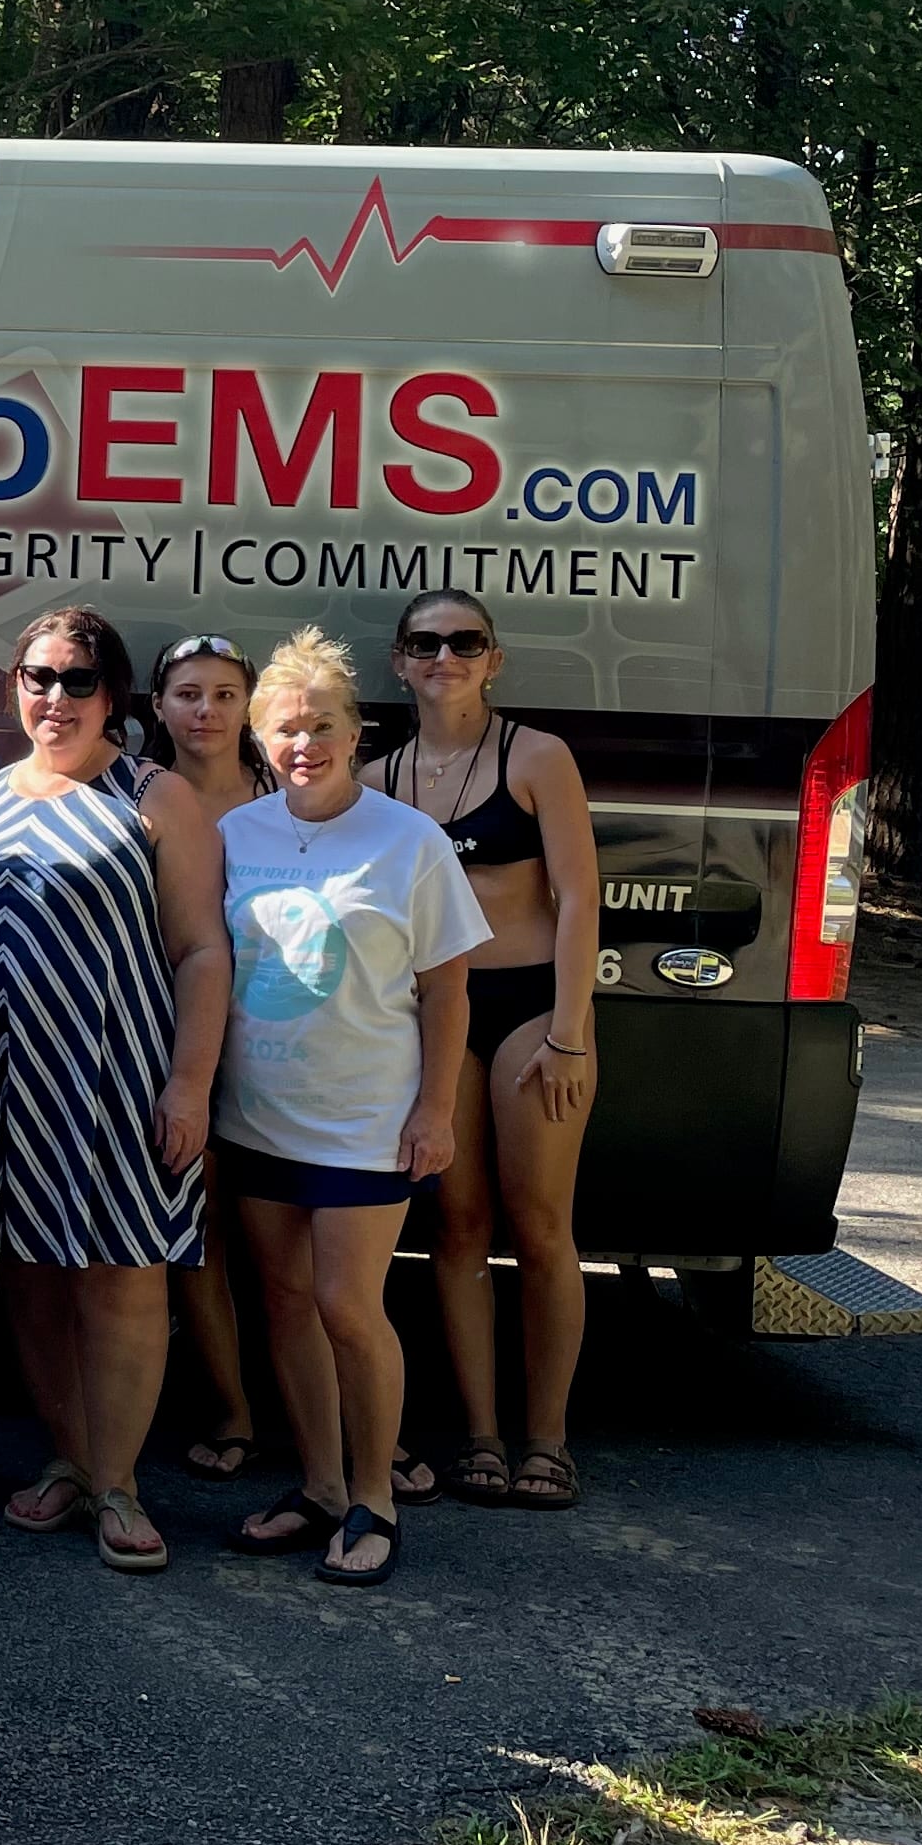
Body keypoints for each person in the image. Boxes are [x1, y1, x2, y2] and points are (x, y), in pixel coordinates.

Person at [0, 608, 229, 1575]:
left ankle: (121, 1482)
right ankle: (70, 1456)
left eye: (78, 680)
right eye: (37, 677)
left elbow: (202, 950)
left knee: (122, 1278)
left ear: (115, 696)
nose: (55, 698)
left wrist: (190, 1084)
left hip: (116, 1074)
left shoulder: (154, 796)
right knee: (30, 1277)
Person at [213, 628, 488, 1590]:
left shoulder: (408, 840)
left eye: (321, 724)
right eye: (284, 729)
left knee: (346, 1305)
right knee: (284, 1303)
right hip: (255, 1113)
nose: (303, 744)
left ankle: (376, 1494)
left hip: (366, 1117)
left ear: (356, 731)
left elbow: (449, 991)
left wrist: (435, 1109)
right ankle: (322, 1488)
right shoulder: (233, 836)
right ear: (259, 742)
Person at [377, 590, 603, 1513]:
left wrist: (569, 1032)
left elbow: (581, 900)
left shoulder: (537, 757)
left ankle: (546, 1440)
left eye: (465, 642)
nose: (445, 657)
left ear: (493, 659)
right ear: (400, 662)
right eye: (426, 643)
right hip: (441, 1014)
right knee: (456, 1230)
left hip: (527, 1011)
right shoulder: (383, 775)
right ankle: (478, 1434)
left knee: (542, 1227)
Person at [147, 632, 276, 1481]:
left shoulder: (289, 797)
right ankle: (231, 1411)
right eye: (188, 693)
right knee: (195, 1235)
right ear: (158, 707)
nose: (206, 711)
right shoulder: (134, 797)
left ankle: (314, 1412)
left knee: (281, 1240)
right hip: (169, 1034)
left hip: (278, 1045)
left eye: (226, 695)